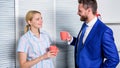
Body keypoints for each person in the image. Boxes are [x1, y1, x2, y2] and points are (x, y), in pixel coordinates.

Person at [62, 0, 119, 68]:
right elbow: (85, 45)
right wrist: (71, 39)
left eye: (80, 11)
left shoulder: (104, 31)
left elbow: (114, 59)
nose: (77, 13)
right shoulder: (85, 25)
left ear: (89, 10)